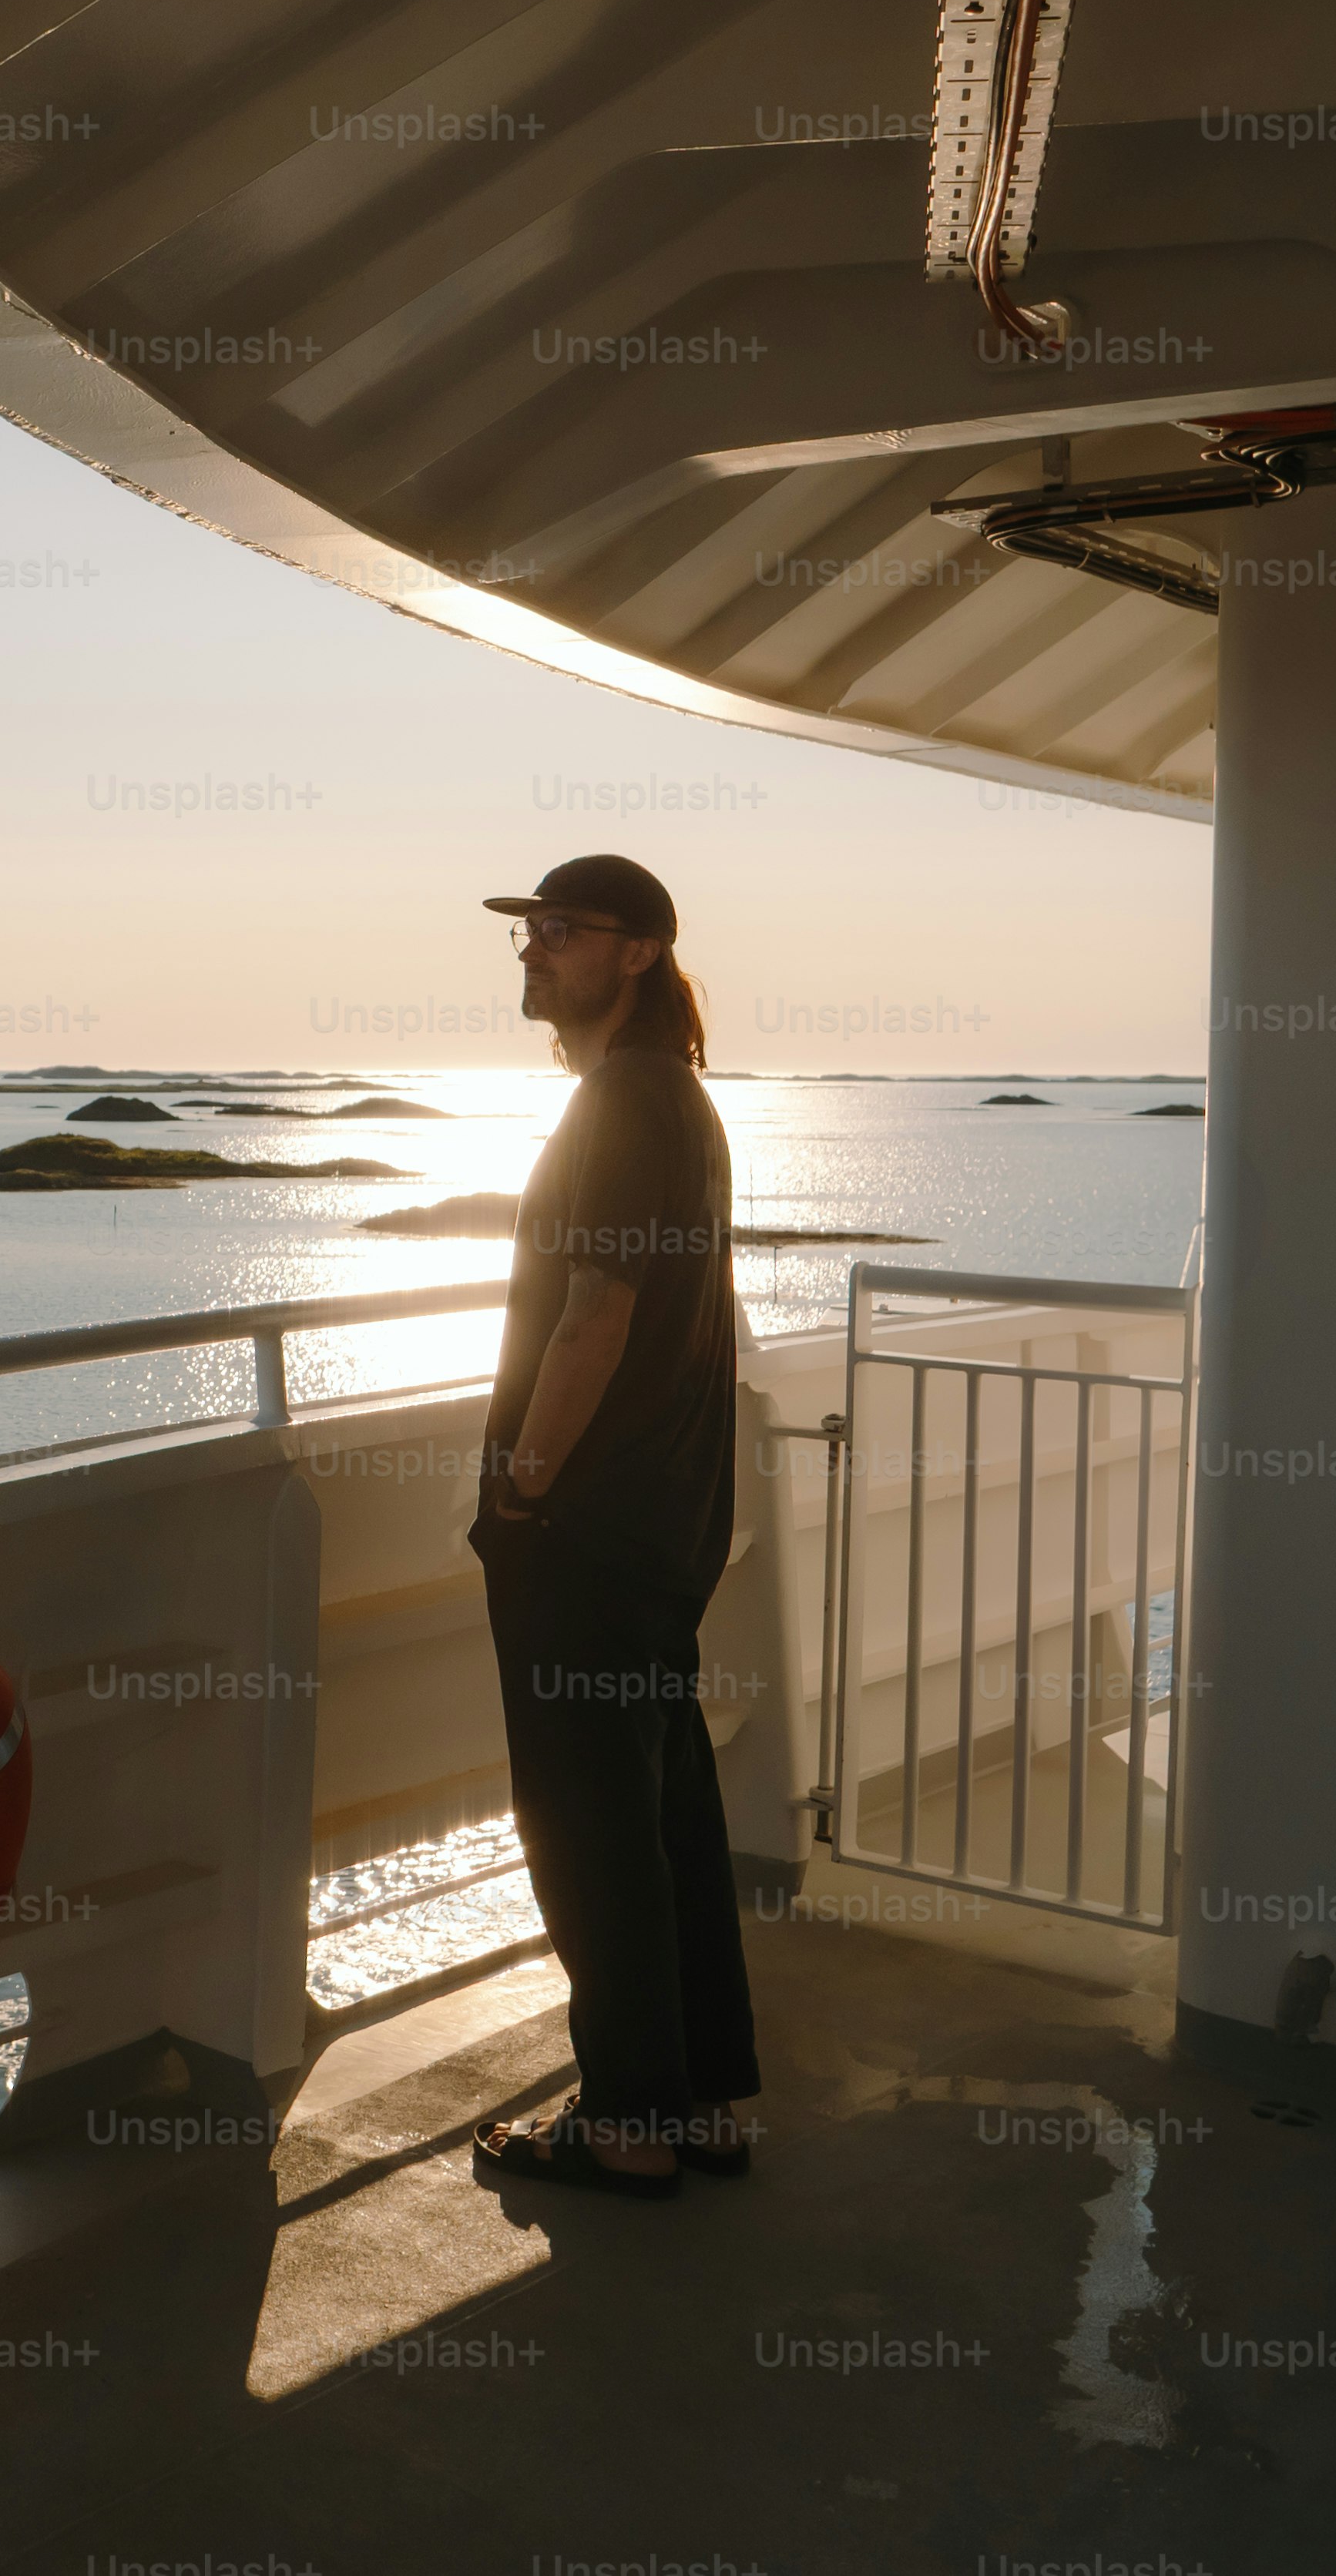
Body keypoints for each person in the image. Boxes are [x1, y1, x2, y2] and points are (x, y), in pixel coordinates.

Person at [467, 853, 760, 2199]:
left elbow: (596, 1315)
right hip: (659, 1518)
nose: (534, 947)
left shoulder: (626, 1102)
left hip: (586, 1528)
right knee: (663, 1806)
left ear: (637, 952)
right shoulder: (672, 1098)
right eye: (528, 928)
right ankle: (701, 2101)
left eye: (561, 928)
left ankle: (629, 2121)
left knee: (588, 1823)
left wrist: (524, 1487)